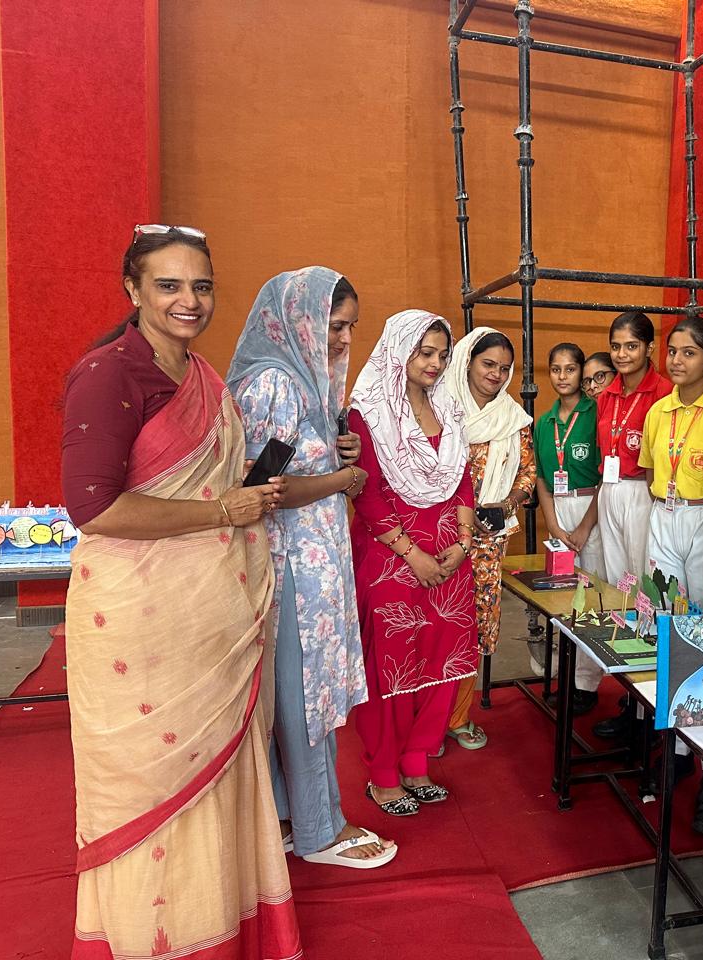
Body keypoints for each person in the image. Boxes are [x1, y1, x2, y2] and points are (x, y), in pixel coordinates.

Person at [61, 225, 301, 958]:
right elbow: (95, 509)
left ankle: (214, 928)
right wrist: (223, 510)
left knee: (215, 780)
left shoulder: (203, 377)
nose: (188, 300)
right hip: (139, 624)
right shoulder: (109, 375)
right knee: (152, 789)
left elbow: (208, 486)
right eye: (168, 285)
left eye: (200, 286)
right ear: (133, 290)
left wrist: (244, 496)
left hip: (210, 619)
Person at [226, 268, 391, 868]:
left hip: (312, 561)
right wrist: (344, 478)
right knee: (304, 696)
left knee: (297, 693)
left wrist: (339, 455)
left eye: (350, 327)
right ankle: (321, 830)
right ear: (299, 321)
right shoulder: (275, 382)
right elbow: (262, 488)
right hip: (290, 565)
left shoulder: (305, 378)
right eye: (333, 326)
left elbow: (297, 459)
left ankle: (290, 817)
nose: (344, 339)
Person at [349, 310, 477, 816]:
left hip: (449, 556)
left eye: (443, 355)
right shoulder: (367, 413)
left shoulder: (448, 407)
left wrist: (463, 542)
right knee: (392, 666)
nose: (435, 363)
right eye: (425, 352)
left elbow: (462, 477)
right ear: (399, 350)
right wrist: (413, 555)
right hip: (392, 557)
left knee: (441, 662)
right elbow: (367, 493)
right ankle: (383, 773)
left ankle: (417, 760)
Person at [445, 327, 536, 749]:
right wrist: (462, 513)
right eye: (488, 364)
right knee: (438, 622)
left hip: (489, 539)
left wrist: (506, 504)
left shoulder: (513, 418)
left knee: (473, 622)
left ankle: (457, 717)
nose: (495, 375)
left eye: (504, 368)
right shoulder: (441, 409)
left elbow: (528, 474)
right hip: (442, 533)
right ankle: (425, 719)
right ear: (468, 362)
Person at [638, 317, 703, 607]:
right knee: (662, 600)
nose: (677, 360)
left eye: (689, 353)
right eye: (672, 352)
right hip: (663, 512)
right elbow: (650, 469)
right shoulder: (658, 410)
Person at [534, 342, 604, 713]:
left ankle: (587, 684)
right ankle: (568, 674)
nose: (563, 376)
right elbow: (541, 478)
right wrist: (552, 522)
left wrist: (584, 527)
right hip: (558, 512)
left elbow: (607, 476)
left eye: (570, 369)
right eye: (556, 369)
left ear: (581, 372)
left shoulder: (596, 412)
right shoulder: (544, 423)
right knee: (563, 598)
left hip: (591, 508)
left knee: (590, 598)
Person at [595, 312, 672, 583]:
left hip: (643, 490)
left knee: (643, 572)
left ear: (649, 348)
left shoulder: (664, 392)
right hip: (609, 488)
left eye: (631, 346)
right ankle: (619, 613)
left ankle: (646, 615)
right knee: (615, 574)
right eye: (615, 347)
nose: (621, 354)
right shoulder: (606, 396)